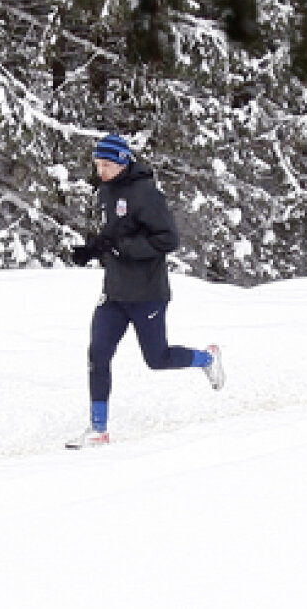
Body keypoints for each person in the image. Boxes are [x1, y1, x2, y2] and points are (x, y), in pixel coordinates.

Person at [66, 134, 225, 449]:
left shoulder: (146, 194)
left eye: (107, 165)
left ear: (122, 162)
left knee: (157, 358)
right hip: (114, 292)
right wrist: (92, 249)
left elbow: (168, 240)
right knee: (98, 353)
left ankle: (206, 359)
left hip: (146, 293)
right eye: (98, 164)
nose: (101, 171)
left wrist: (124, 249)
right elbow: (114, 233)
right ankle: (98, 429)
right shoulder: (106, 192)